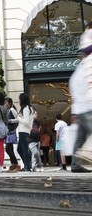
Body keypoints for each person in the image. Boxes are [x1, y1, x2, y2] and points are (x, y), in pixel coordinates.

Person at [69, 24, 92, 172]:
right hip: (87, 104)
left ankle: (76, 164)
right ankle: (83, 159)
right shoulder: (87, 64)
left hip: (81, 105)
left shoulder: (82, 66)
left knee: (81, 136)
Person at [17, 93, 34, 172]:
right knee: (20, 149)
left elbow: (26, 121)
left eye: (19, 99)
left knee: (23, 149)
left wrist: (19, 118)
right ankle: (27, 165)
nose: (19, 100)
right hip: (25, 131)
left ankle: (27, 166)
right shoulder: (29, 108)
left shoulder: (25, 109)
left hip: (23, 131)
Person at [4, 97, 21, 172]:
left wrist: (10, 121)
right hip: (8, 132)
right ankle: (13, 164)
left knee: (8, 149)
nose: (5, 104)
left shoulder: (12, 110)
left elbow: (18, 119)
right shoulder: (7, 111)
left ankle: (16, 164)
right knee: (10, 149)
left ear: (10, 103)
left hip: (11, 132)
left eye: (6, 103)